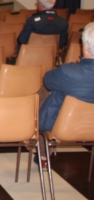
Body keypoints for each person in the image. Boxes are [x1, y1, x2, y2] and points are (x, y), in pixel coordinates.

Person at [37, 23, 94, 168]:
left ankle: (43, 152)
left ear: (85, 47)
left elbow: (48, 81)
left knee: (48, 90)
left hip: (64, 126)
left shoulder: (68, 72)